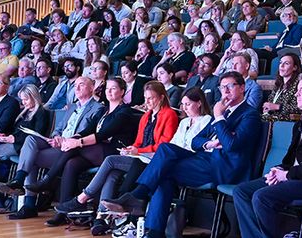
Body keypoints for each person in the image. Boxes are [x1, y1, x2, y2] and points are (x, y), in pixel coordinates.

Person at [102, 72, 263, 238]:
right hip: (207, 159)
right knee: (165, 152)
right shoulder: (224, 111)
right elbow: (196, 141)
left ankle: (140, 201)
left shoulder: (249, 115)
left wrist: (219, 117)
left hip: (226, 168)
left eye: (230, 86)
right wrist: (208, 143)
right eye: (222, 87)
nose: (225, 91)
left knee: (163, 171)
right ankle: (152, 229)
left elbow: (231, 145)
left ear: (242, 87)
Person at [52, 82, 188, 235]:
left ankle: (82, 198)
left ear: (161, 98)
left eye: (151, 98)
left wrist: (138, 150)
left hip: (154, 160)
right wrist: (130, 149)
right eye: (145, 98)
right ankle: (101, 217)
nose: (148, 101)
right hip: (140, 156)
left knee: (110, 161)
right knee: (112, 173)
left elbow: (164, 144)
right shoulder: (146, 116)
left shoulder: (168, 114)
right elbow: (138, 140)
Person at [233, 74, 302, 238]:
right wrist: (278, 170)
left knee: (262, 197)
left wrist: (287, 174)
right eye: (297, 90)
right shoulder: (300, 123)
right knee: (241, 191)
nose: (296, 94)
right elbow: (290, 160)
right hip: (296, 177)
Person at [15, 78, 136, 222]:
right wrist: (74, 139)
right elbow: (88, 129)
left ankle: (47, 180)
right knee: (71, 164)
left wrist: (77, 142)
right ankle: (62, 212)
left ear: (122, 91)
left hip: (114, 152)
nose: (109, 91)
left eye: (114, 88)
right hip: (97, 150)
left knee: (75, 148)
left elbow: (103, 134)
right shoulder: (104, 110)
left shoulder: (124, 112)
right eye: (107, 88)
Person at [264, 53, 302, 122]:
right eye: (280, 63)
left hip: (287, 122)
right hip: (273, 118)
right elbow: (271, 100)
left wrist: (278, 107)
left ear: (295, 67)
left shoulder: (299, 85)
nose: (281, 66)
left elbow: (300, 107)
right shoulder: (279, 84)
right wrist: (267, 107)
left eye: (286, 63)